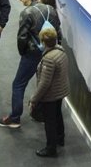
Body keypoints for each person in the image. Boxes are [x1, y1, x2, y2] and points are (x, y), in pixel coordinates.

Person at [0, 0, 60, 129]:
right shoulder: (51, 9)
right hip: (50, 52)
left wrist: (23, 52)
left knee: (18, 84)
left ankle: (14, 118)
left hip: (32, 54)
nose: (20, 0)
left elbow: (22, 37)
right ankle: (40, 114)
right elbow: (58, 30)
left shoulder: (27, 13)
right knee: (43, 84)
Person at [30, 27, 69, 158]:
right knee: (58, 115)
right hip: (60, 92)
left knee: (50, 121)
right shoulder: (61, 51)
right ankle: (60, 138)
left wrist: (34, 99)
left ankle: (51, 148)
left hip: (51, 95)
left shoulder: (49, 58)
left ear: (43, 42)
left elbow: (44, 83)